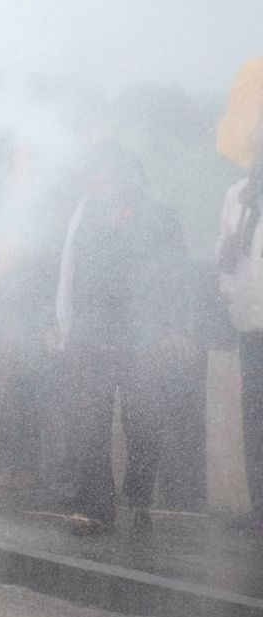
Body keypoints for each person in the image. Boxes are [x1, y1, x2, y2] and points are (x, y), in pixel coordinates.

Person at [55, 145, 194, 534]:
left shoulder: (160, 216)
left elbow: (177, 274)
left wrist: (174, 327)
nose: (96, 181)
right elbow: (73, 269)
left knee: (144, 422)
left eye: (102, 173)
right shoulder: (89, 214)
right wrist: (66, 324)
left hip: (143, 335)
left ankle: (138, 498)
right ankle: (95, 504)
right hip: (92, 333)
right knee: (90, 422)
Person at [215, 145, 263, 532]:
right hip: (251, 326)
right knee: (256, 423)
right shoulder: (238, 195)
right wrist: (229, 245)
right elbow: (225, 261)